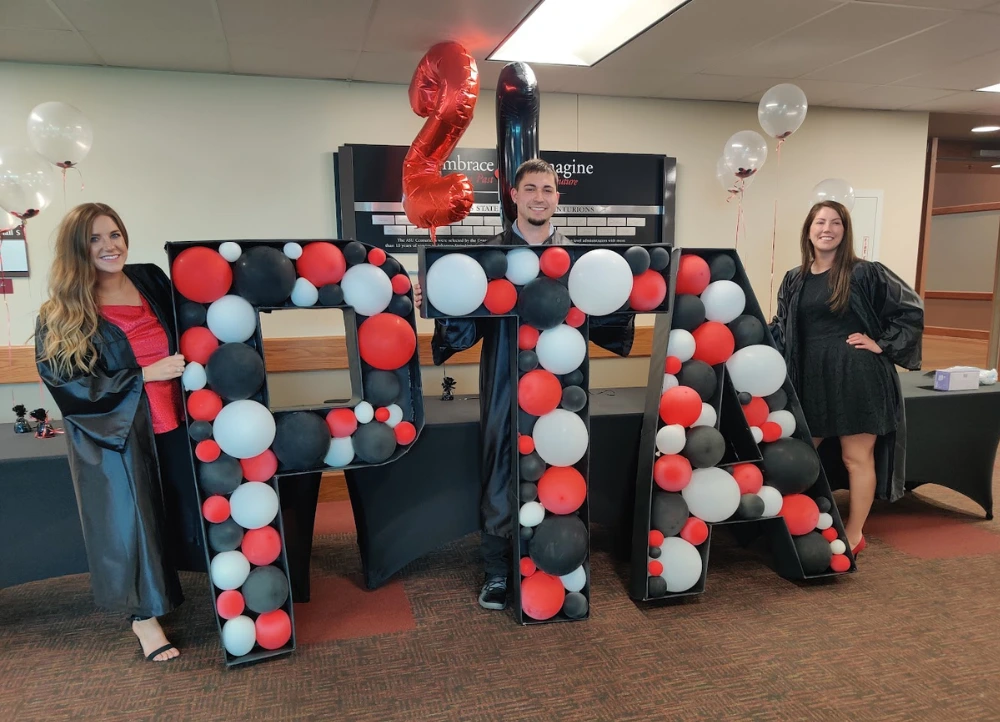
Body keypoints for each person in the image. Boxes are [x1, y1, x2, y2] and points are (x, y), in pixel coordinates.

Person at [414, 158, 634, 609]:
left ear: (558, 197)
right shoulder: (488, 258)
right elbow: (462, 327)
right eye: (530, 188)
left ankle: (559, 558)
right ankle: (497, 571)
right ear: (513, 195)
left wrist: (627, 292)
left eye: (548, 190)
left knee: (560, 470)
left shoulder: (581, 261)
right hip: (504, 384)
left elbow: (611, 313)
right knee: (500, 472)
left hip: (565, 384)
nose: (540, 197)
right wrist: (438, 298)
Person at [35, 203, 205, 662]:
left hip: (175, 424)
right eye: (94, 239)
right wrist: (145, 376)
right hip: (119, 437)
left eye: (114, 234)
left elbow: (192, 321)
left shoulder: (149, 278)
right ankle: (144, 621)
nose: (109, 246)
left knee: (188, 509)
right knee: (132, 525)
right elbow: (69, 386)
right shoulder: (62, 312)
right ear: (77, 249)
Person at [769, 200, 923, 558]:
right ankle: (795, 523)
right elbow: (781, 328)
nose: (827, 228)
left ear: (845, 230)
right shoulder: (795, 278)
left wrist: (881, 344)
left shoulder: (865, 273)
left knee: (857, 458)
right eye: (820, 222)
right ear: (808, 229)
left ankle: (854, 533)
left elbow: (910, 309)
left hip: (857, 376)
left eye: (836, 222)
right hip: (810, 377)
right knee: (801, 453)